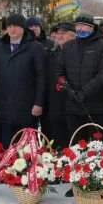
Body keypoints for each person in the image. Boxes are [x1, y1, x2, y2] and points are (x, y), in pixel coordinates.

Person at [0, 14, 46, 147]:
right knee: (7, 147)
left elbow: (41, 78)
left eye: (16, 26)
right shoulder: (0, 47)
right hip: (4, 108)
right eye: (9, 26)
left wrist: (38, 103)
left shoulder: (35, 47)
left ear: (23, 28)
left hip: (27, 108)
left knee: (27, 148)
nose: (12, 29)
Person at [55, 11, 103, 140]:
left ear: (92, 27)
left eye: (83, 25)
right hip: (72, 106)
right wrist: (69, 91)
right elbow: (58, 72)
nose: (79, 28)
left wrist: (84, 93)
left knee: (96, 148)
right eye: (77, 25)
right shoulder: (67, 47)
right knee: (76, 146)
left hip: (96, 107)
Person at [42, 22, 75, 151]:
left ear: (73, 35)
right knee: (56, 144)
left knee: (72, 145)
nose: (59, 36)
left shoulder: (76, 55)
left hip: (72, 108)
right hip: (54, 108)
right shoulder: (50, 54)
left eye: (64, 33)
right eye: (58, 33)